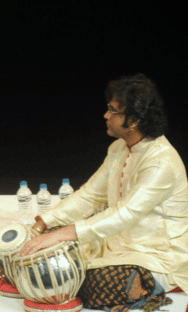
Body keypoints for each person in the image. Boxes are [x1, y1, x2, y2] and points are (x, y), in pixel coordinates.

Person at [19, 75, 187, 310]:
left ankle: (146, 287)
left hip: (154, 254)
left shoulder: (161, 162)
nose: (106, 116)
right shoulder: (118, 148)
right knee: (49, 250)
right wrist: (44, 223)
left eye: (113, 110)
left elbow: (124, 214)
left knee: (84, 278)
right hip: (113, 243)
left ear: (135, 120)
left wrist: (65, 233)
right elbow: (90, 196)